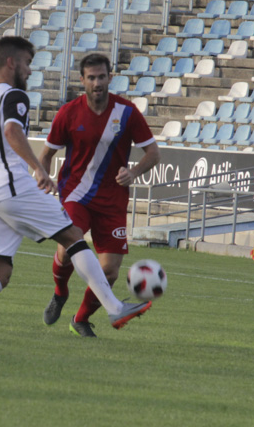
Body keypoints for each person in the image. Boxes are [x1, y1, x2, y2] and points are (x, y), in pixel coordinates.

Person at [0, 37, 152, 343]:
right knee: (73, 237)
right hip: (12, 187)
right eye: (26, 62)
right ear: (11, 63)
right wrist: (37, 169)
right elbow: (12, 131)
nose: (29, 70)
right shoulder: (15, 97)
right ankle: (114, 307)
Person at [39, 53, 160, 337]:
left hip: (113, 201)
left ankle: (80, 319)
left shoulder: (127, 112)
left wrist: (133, 172)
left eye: (102, 77)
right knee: (68, 248)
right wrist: (44, 180)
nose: (97, 83)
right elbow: (46, 155)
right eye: (91, 78)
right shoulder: (68, 112)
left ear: (110, 78)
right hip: (75, 195)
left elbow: (153, 154)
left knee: (110, 272)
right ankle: (60, 292)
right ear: (82, 80)